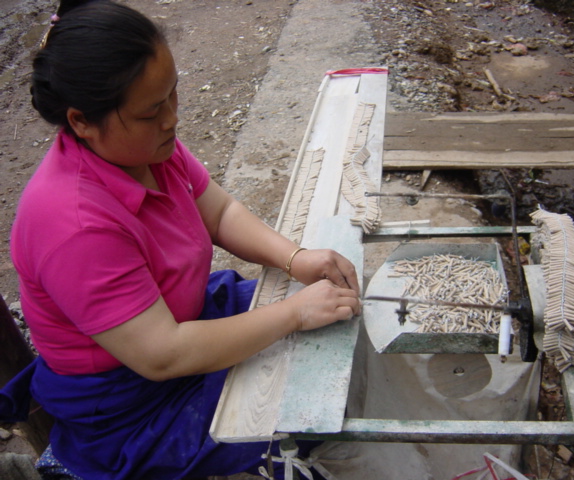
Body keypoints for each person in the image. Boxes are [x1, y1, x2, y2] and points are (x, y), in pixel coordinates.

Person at [3, 1, 361, 478]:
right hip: (130, 402)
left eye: (172, 95)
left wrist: (295, 258)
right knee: (302, 414)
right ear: (81, 121)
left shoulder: (144, 148)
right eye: (152, 111)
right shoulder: (74, 224)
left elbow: (219, 210)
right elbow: (163, 353)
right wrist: (293, 313)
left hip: (186, 321)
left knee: (333, 327)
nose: (172, 119)